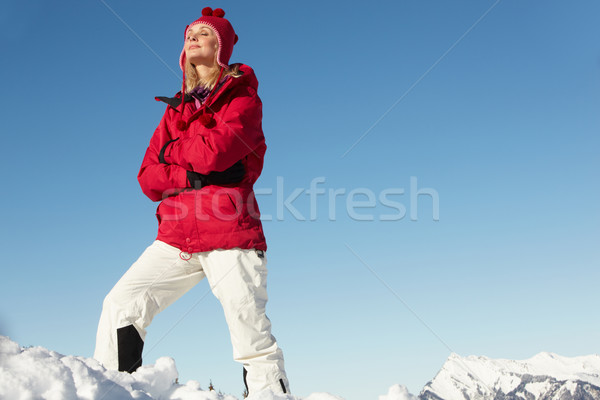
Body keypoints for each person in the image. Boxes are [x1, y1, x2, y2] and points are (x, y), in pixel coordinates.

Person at [93, 7, 290, 396]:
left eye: (204, 33)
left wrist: (175, 155)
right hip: (177, 237)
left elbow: (215, 152)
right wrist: (190, 175)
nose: (193, 37)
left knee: (249, 336)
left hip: (229, 233)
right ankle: (116, 390)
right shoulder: (174, 110)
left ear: (221, 48)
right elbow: (148, 177)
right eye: (190, 34)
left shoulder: (244, 99)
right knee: (121, 304)